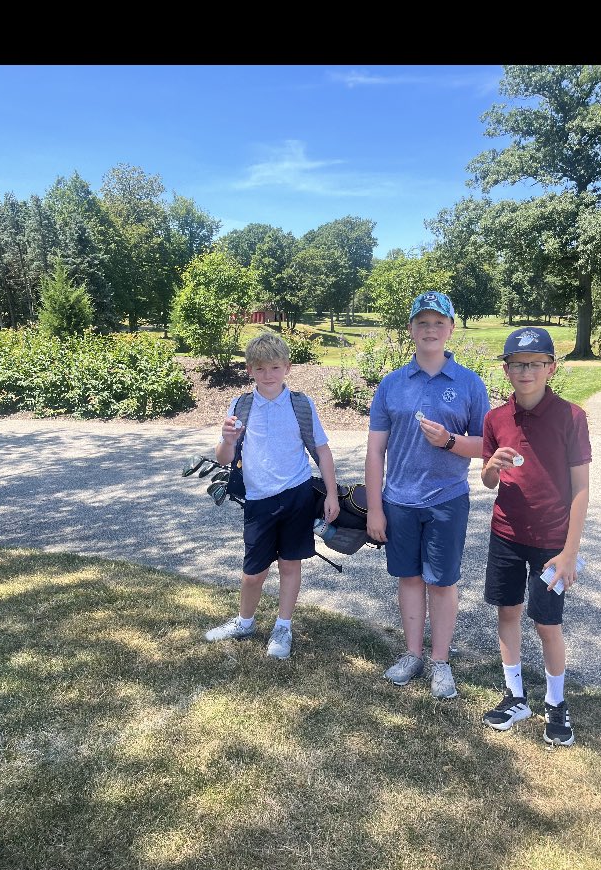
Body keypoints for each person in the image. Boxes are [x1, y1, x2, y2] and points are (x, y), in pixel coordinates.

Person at [365, 290, 490, 698]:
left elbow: (487, 446)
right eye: (423, 322)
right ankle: (412, 654)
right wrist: (374, 508)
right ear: (411, 330)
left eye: (439, 322)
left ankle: (440, 662)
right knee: (409, 579)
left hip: (447, 499)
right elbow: (375, 449)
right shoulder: (391, 385)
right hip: (398, 500)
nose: (431, 329)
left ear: (451, 329)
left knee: (442, 582)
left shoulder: (470, 384)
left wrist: (451, 441)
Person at [481, 326, 591, 746]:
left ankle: (556, 703)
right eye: (516, 364)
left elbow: (581, 488)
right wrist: (492, 464)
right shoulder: (495, 418)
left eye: (535, 364)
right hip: (506, 533)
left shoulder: (571, 417)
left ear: (551, 368)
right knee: (507, 612)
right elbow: (489, 482)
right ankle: (515, 695)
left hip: (552, 542)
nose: (525, 371)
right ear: (506, 370)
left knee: (547, 623)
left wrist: (569, 552)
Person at [204, 332, 340, 659]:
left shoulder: (301, 404)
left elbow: (321, 450)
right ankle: (245, 621)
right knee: (253, 572)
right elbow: (224, 458)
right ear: (250, 369)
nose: (269, 375)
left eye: (275, 367)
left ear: (287, 368)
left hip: (297, 496)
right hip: (259, 500)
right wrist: (225, 439)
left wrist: (332, 494)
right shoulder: (241, 405)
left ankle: (283, 626)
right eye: (261, 368)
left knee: (290, 564)